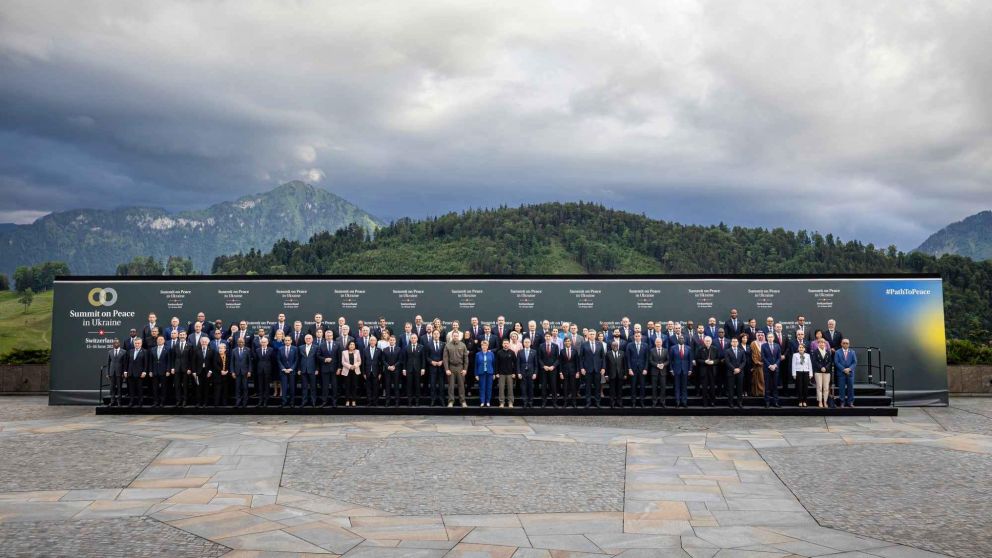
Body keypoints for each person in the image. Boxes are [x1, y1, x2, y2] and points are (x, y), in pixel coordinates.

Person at [443, 331, 469, 408]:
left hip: (460, 367)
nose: (455, 337)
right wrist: (447, 369)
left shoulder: (463, 345)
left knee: (461, 385)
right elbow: (445, 359)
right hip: (451, 368)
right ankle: (451, 402)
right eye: (454, 336)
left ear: (459, 337)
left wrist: (465, 369)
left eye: (456, 336)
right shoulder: (447, 345)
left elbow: (466, 358)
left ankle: (463, 401)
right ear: (452, 336)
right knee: (451, 386)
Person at [580, 332, 605, 408]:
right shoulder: (584, 344)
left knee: (597, 387)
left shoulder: (600, 344)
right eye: (590, 334)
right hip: (587, 369)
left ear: (595, 335)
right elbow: (581, 357)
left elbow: (603, 357)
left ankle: (597, 402)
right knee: (588, 387)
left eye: (593, 334)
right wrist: (582, 368)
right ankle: (588, 402)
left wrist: (603, 368)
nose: (592, 335)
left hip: (598, 369)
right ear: (588, 335)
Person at [625, 331, 649, 408]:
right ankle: (633, 402)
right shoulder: (629, 345)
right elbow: (627, 358)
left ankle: (642, 402)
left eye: (639, 336)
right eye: (636, 336)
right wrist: (629, 368)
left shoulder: (645, 345)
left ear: (641, 337)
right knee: (633, 386)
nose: (637, 337)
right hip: (633, 369)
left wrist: (645, 368)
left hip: (642, 369)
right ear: (634, 337)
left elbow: (647, 358)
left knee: (642, 386)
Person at [695, 336, 720, 407]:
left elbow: (718, 359)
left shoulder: (715, 349)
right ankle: (705, 402)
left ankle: (712, 402)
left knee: (712, 387)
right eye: (706, 341)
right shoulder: (700, 349)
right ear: (704, 341)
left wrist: (713, 362)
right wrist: (704, 361)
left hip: (712, 371)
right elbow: (697, 359)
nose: (708, 342)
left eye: (709, 341)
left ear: (711, 341)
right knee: (704, 388)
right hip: (704, 371)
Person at [402, 334, 425, 406]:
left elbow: (423, 359)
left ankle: (417, 401)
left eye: (415, 338)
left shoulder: (421, 347)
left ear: (417, 339)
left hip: (418, 369)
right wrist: (404, 369)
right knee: (409, 385)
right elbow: (404, 359)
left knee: (417, 385)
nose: (413, 339)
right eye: (412, 338)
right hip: (409, 370)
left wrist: (423, 368)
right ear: (410, 339)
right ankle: (409, 401)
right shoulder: (406, 347)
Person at [724, 336, 747, 409]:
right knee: (730, 388)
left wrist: (739, 369)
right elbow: (727, 362)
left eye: (736, 341)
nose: (735, 343)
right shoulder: (727, 351)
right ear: (731, 343)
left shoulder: (741, 351)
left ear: (738, 343)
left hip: (740, 373)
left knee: (739, 389)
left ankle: (739, 403)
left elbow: (744, 361)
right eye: (733, 341)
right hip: (731, 373)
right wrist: (734, 369)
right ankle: (731, 403)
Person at [317, 330, 338, 407]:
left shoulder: (337, 344)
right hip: (324, 369)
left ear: (332, 336)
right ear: (325, 336)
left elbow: (339, 357)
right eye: (327, 335)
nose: (329, 337)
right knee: (325, 386)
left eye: (330, 335)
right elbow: (318, 356)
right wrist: (324, 359)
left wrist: (339, 368)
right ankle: (324, 401)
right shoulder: (321, 345)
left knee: (334, 386)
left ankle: (334, 402)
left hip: (334, 369)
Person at [670, 335, 692, 408]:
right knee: (677, 386)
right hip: (676, 370)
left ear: (684, 340)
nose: (681, 339)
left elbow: (690, 360)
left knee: (684, 386)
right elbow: (670, 360)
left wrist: (690, 369)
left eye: (682, 338)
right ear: (678, 340)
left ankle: (684, 401)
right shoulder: (673, 348)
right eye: (680, 338)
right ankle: (677, 402)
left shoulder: (688, 348)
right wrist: (671, 369)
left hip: (685, 370)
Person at [538, 332, 559, 408]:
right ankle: (544, 402)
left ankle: (554, 403)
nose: (547, 337)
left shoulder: (555, 346)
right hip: (544, 370)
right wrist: (543, 366)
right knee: (543, 386)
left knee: (553, 386)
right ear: (544, 337)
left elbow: (557, 358)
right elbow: (539, 358)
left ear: (551, 337)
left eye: (549, 336)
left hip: (553, 370)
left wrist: (553, 366)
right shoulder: (541, 346)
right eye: (546, 336)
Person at [834, 339, 857, 407]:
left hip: (850, 373)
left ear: (849, 344)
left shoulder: (852, 352)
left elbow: (854, 362)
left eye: (847, 343)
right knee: (841, 388)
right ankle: (842, 402)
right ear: (841, 344)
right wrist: (844, 369)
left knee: (850, 388)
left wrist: (849, 369)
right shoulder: (837, 352)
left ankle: (850, 402)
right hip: (841, 373)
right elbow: (836, 362)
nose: (845, 344)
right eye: (844, 343)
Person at [426, 329, 446, 406]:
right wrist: (431, 362)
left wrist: (442, 361)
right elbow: (427, 356)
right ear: (432, 335)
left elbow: (445, 356)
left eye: (437, 334)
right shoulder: (428, 344)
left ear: (439, 335)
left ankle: (442, 400)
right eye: (435, 334)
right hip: (432, 368)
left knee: (441, 385)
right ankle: (433, 400)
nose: (436, 335)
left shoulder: (443, 344)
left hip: (441, 367)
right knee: (433, 384)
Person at [646, 337, 668, 408]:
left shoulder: (666, 350)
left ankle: (662, 402)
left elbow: (668, 360)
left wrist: (663, 364)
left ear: (662, 343)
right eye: (657, 342)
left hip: (663, 372)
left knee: (663, 388)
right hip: (654, 372)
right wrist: (657, 365)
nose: (658, 343)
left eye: (660, 342)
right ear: (655, 343)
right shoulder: (651, 350)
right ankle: (654, 402)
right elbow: (650, 360)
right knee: (654, 388)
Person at [761, 333, 782, 408]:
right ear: (767, 338)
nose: (770, 338)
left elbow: (779, 357)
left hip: (775, 368)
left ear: (773, 338)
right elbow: (763, 357)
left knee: (775, 386)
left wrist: (775, 365)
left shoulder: (777, 345)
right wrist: (769, 365)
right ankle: (767, 402)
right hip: (767, 368)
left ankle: (775, 402)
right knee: (767, 386)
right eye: (769, 337)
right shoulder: (763, 346)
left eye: (771, 337)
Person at [297, 334, 318, 407]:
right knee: (304, 387)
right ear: (305, 339)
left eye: (309, 338)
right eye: (307, 338)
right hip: (303, 370)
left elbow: (317, 359)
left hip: (312, 370)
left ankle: (313, 402)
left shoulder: (316, 347)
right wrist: (299, 369)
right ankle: (304, 401)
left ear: (312, 339)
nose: (308, 339)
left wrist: (317, 369)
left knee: (313, 387)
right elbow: (298, 359)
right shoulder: (300, 347)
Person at [382, 335, 403, 406]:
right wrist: (388, 366)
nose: (392, 341)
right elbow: (383, 360)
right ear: (389, 341)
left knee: (396, 386)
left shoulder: (399, 349)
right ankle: (387, 401)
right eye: (390, 340)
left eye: (393, 340)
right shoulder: (385, 349)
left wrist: (394, 366)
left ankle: (397, 401)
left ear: (395, 341)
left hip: (396, 370)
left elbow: (400, 360)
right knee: (387, 386)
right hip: (387, 371)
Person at [150, 335, 170, 407]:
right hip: (155, 371)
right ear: (156, 341)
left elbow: (169, 361)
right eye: (158, 339)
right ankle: (156, 402)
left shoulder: (167, 349)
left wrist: (168, 370)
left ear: (164, 341)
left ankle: (162, 402)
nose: (160, 341)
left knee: (163, 388)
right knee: (155, 388)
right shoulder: (153, 349)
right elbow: (150, 361)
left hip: (164, 371)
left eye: (161, 339)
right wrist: (150, 371)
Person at [231, 337, 252, 408]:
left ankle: (245, 402)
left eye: (242, 342)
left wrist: (249, 371)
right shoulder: (234, 350)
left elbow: (250, 362)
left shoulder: (248, 350)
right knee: (237, 388)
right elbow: (232, 362)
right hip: (237, 372)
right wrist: (232, 372)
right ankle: (238, 402)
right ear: (237, 343)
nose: (240, 343)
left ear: (244, 343)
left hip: (245, 372)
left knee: (245, 387)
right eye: (239, 342)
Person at [558, 336, 579, 408]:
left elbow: (577, 362)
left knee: (573, 387)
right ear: (564, 343)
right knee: (565, 388)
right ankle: (565, 402)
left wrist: (577, 372)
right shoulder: (562, 351)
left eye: (569, 341)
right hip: (564, 372)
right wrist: (560, 372)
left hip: (573, 372)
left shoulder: (575, 350)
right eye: (566, 341)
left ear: (571, 342)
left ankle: (574, 402)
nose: (567, 342)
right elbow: (560, 363)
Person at [811, 338, 832, 408]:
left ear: (825, 344)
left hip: (827, 371)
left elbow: (830, 361)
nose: (822, 344)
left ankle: (825, 401)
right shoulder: (815, 351)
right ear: (818, 344)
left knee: (826, 388)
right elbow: (815, 361)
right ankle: (820, 401)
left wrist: (825, 368)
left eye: (823, 343)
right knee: (819, 387)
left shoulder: (828, 351)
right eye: (820, 342)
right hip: (818, 371)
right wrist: (821, 367)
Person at [340, 340, 362, 407]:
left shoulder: (357, 351)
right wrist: (350, 366)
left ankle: (353, 400)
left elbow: (359, 361)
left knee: (354, 386)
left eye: (353, 344)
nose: (352, 345)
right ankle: (347, 400)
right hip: (347, 371)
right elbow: (343, 362)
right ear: (348, 345)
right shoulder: (344, 352)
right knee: (347, 386)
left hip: (355, 371)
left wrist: (354, 366)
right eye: (350, 344)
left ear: (355, 346)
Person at [192, 336, 212, 408]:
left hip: (207, 373)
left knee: (206, 388)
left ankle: (205, 403)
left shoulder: (211, 350)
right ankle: (198, 402)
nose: (204, 343)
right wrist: (194, 372)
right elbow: (193, 362)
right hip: (198, 372)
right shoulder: (196, 350)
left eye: (205, 342)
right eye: (203, 341)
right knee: (198, 388)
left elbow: (212, 362)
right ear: (200, 342)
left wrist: (210, 371)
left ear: (208, 342)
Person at [277, 337, 298, 408]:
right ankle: (284, 402)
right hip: (283, 371)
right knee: (284, 387)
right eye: (286, 340)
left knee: (292, 387)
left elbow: (296, 360)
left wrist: (291, 368)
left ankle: (292, 402)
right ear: (284, 341)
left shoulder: (295, 349)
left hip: (292, 371)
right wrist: (283, 368)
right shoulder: (280, 349)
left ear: (291, 341)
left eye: (288, 340)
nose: (287, 341)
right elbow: (278, 360)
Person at [518, 337, 538, 408]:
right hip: (522, 372)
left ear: (530, 343)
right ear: (523, 343)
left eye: (528, 342)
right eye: (525, 342)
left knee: (530, 387)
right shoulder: (520, 352)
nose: (527, 343)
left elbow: (536, 364)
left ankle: (530, 402)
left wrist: (535, 373)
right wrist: (519, 373)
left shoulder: (534, 351)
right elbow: (518, 363)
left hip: (531, 372)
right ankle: (525, 402)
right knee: (523, 388)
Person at [254, 336, 275, 407]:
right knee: (260, 386)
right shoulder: (257, 350)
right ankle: (260, 401)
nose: (263, 343)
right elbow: (256, 360)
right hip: (259, 370)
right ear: (260, 343)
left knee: (266, 386)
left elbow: (273, 360)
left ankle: (266, 401)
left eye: (265, 342)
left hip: (268, 370)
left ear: (267, 342)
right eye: (262, 342)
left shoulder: (271, 350)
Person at [605, 339, 625, 408]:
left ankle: (619, 402)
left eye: (616, 345)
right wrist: (606, 375)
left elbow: (624, 364)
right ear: (611, 346)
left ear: (618, 346)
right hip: (611, 375)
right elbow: (606, 365)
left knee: (619, 390)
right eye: (613, 345)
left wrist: (625, 374)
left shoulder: (622, 353)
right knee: (612, 390)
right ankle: (612, 403)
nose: (615, 346)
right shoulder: (608, 354)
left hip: (620, 375)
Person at [106, 338, 126, 406]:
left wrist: (124, 372)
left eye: (116, 343)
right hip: (112, 373)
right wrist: (107, 373)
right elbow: (108, 363)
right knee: (112, 388)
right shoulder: (110, 352)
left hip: (120, 373)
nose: (115, 344)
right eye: (114, 343)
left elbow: (124, 363)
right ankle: (112, 401)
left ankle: (119, 401)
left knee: (119, 388)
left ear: (119, 343)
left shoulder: (123, 352)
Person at [792, 342, 813, 407]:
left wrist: (811, 373)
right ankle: (800, 401)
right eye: (800, 347)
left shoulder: (807, 355)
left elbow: (810, 364)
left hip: (806, 372)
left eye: (802, 347)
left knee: (805, 387)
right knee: (800, 387)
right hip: (798, 372)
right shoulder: (795, 355)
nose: (801, 348)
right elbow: (793, 365)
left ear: (804, 349)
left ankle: (805, 401)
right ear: (798, 348)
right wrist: (794, 374)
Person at [363, 335, 382, 407]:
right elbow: (363, 362)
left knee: (376, 388)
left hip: (376, 372)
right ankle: (369, 402)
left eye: (374, 340)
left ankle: (375, 402)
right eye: (371, 340)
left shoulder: (379, 350)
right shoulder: (365, 350)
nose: (372, 342)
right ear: (369, 341)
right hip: (367, 372)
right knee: (368, 388)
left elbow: (381, 363)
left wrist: (380, 373)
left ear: (376, 342)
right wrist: (364, 373)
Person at [475, 340, 495, 407]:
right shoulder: (478, 354)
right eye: (483, 345)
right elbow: (476, 365)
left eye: (485, 345)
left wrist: (494, 373)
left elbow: (493, 364)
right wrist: (476, 374)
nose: (484, 346)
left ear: (487, 346)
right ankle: (482, 401)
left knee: (489, 387)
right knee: (482, 387)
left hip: (490, 372)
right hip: (481, 372)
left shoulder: (491, 354)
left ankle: (488, 401)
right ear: (481, 346)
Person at [749, 332, 765, 397]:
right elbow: (753, 355)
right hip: (756, 365)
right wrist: (758, 362)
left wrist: (765, 362)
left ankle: (763, 392)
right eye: (759, 335)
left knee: (764, 379)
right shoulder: (753, 343)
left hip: (765, 365)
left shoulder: (766, 343)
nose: (760, 336)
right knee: (757, 380)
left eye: (762, 335)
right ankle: (757, 393)